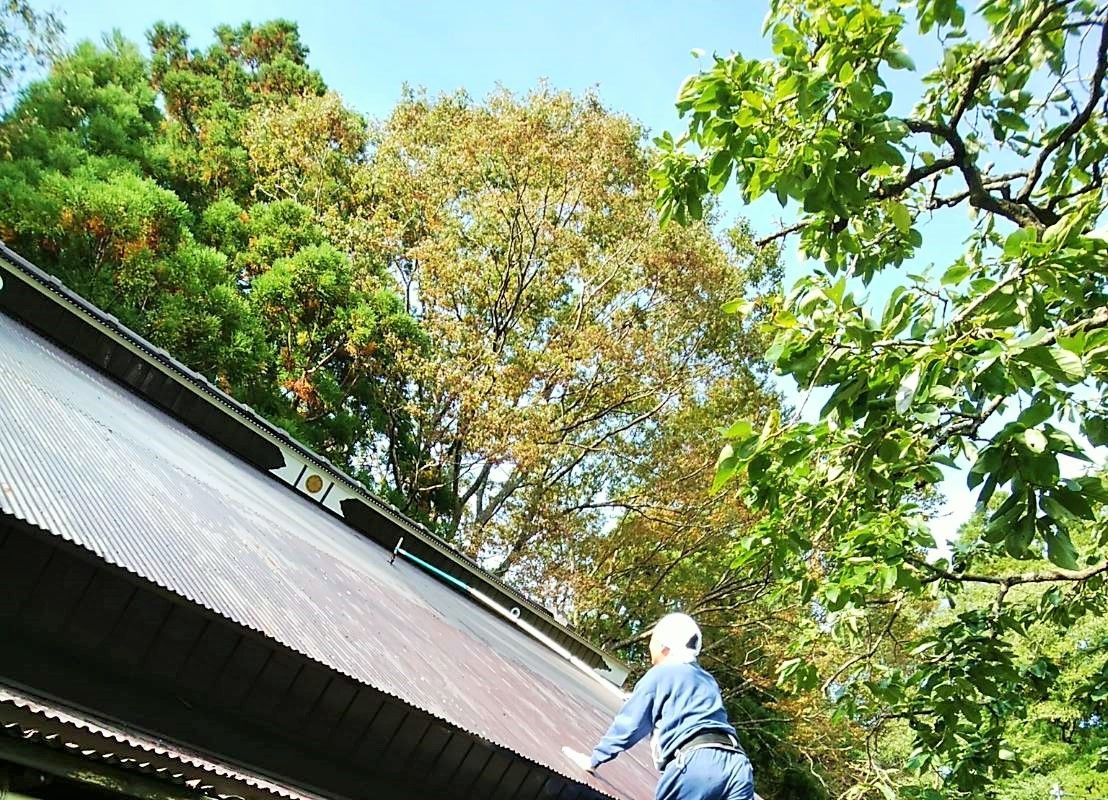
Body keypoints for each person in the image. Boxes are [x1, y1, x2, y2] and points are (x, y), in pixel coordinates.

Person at [567, 613, 755, 800]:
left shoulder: (660, 674)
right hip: (738, 767)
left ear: (665, 646)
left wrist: (594, 759)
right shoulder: (707, 680)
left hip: (696, 764)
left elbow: (630, 726)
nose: (650, 646)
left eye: (653, 640)